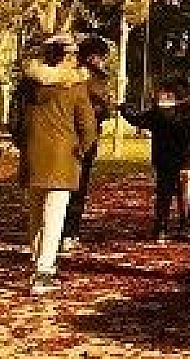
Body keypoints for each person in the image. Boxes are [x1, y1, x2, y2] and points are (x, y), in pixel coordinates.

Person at [9, 34, 98, 296]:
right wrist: (81, 150)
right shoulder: (76, 87)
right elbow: (88, 127)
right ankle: (45, 270)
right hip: (64, 159)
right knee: (54, 215)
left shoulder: (27, 85)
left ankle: (36, 262)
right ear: (67, 57)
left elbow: (13, 121)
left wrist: (24, 145)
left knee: (36, 214)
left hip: (33, 157)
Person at [120, 78, 190, 241]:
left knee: (165, 195)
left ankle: (161, 228)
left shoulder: (157, 114)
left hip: (165, 160)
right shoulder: (188, 113)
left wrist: (123, 109)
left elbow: (138, 119)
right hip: (184, 160)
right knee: (184, 195)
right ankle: (184, 226)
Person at [62, 36, 114, 250]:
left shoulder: (74, 76)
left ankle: (65, 230)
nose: (103, 61)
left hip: (73, 137)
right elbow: (99, 110)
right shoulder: (91, 80)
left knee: (70, 186)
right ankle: (69, 231)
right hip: (83, 138)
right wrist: (106, 109)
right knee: (77, 186)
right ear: (93, 57)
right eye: (102, 57)